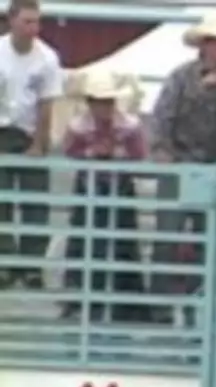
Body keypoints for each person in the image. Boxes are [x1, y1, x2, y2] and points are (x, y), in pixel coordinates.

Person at [149, 13, 216, 323]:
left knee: (210, 244)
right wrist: (164, 154)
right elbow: (161, 118)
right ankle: (161, 308)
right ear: (205, 46)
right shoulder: (181, 77)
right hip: (181, 165)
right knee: (167, 238)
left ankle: (203, 307)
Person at [60, 69, 149, 323]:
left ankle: (125, 300)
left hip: (119, 186)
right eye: (99, 102)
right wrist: (92, 153)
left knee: (123, 240)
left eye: (108, 101)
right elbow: (69, 153)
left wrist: (114, 155)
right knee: (82, 240)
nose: (104, 107)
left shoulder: (129, 126)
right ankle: (80, 296)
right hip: (89, 186)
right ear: (90, 103)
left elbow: (140, 155)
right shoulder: (78, 126)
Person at [0, 0, 63, 289]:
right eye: (27, 22)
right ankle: (5, 261)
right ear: (11, 21)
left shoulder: (47, 58)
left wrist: (39, 144)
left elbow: (47, 103)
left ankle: (31, 264)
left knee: (35, 200)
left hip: (28, 131)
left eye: (36, 22)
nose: (32, 28)